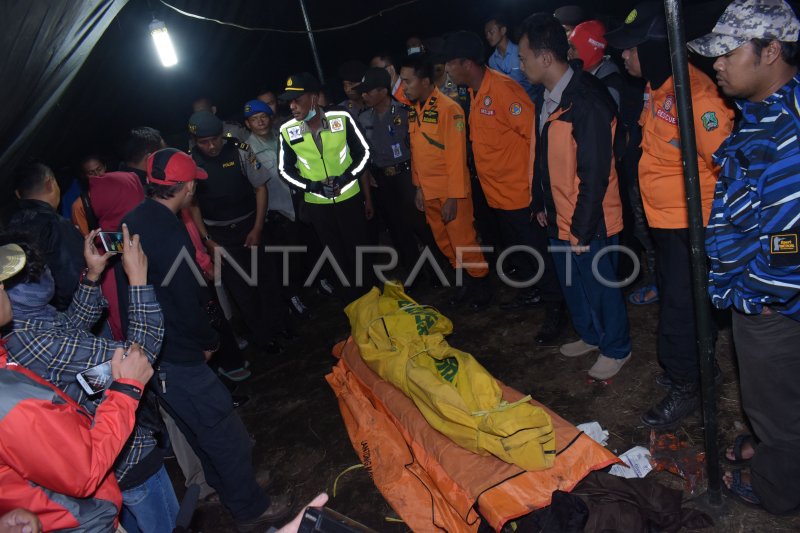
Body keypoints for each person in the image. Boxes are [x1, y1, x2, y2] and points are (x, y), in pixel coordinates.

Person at [123, 148, 292, 530]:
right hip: (178, 352)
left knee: (198, 429)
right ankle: (251, 507)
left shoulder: (134, 219)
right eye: (193, 183)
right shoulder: (169, 232)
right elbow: (186, 298)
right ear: (184, 188)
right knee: (225, 432)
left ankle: (226, 486)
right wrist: (208, 339)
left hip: (153, 352)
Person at [689, 0, 800, 513]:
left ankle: (778, 488)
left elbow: (789, 248)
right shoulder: (764, 112)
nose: (717, 63)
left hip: (771, 302)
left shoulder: (788, 134)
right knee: (771, 394)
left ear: (771, 51)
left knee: (776, 399)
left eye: (728, 52)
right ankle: (774, 447)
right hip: (756, 290)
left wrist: (758, 298)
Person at [606, 1, 734, 426]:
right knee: (684, 304)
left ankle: (687, 385)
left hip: (691, 227)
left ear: (657, 48)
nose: (622, 57)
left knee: (680, 309)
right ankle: (700, 366)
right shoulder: (660, 89)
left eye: (630, 49)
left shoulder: (695, 96)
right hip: (666, 222)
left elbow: (729, 167)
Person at [1, 229, 177, 532]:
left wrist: (92, 276)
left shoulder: (24, 324)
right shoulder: (28, 340)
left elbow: (67, 329)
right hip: (123, 457)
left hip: (105, 472)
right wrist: (138, 282)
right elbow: (139, 354)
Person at [520, 13, 631, 380]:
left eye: (524, 58)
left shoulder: (588, 100)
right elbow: (542, 155)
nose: (521, 66)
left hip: (590, 217)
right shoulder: (547, 98)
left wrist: (583, 227)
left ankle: (617, 347)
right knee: (575, 286)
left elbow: (596, 171)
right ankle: (590, 335)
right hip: (559, 213)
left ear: (546, 58)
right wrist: (541, 203)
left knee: (601, 287)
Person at [443, 31, 566, 342]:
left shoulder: (503, 89)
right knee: (521, 253)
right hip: (497, 196)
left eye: (449, 64)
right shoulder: (474, 92)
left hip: (520, 195)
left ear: (466, 64)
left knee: (539, 253)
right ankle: (536, 292)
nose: (446, 71)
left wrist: (536, 189)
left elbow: (534, 138)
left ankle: (558, 311)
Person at [188, 110, 288, 353]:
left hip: (250, 226)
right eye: (204, 142)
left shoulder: (240, 149)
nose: (211, 146)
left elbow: (260, 188)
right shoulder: (190, 162)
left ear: (222, 135)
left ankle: (281, 326)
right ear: (195, 141)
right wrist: (208, 240)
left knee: (269, 280)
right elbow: (193, 205)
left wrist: (257, 227)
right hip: (220, 236)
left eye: (215, 139)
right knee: (242, 291)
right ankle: (263, 337)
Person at [400, 54, 491, 308]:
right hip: (428, 191)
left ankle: (482, 287)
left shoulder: (449, 109)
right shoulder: (414, 111)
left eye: (407, 81)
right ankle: (465, 285)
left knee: (464, 241)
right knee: (445, 242)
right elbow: (417, 153)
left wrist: (453, 196)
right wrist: (418, 187)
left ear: (426, 81)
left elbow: (456, 158)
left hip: (451, 192)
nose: (403, 87)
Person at [277, 72, 374, 302]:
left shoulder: (342, 118)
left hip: (349, 198)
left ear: (313, 98)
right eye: (289, 101)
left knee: (359, 252)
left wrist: (345, 179)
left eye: (297, 100)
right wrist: (312, 187)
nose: (292, 106)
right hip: (317, 206)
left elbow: (364, 153)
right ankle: (352, 305)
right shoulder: (287, 131)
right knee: (336, 257)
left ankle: (372, 298)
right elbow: (284, 170)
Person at [356, 67, 440, 286]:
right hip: (383, 180)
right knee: (397, 229)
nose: (363, 95)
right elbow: (364, 150)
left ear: (383, 91)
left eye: (368, 91)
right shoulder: (363, 119)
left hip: (407, 175)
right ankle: (416, 275)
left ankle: (442, 269)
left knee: (421, 226)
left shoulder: (406, 112)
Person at [243, 98, 310, 318]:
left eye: (263, 117)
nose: (260, 122)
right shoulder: (247, 150)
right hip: (277, 211)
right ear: (247, 124)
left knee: (307, 247)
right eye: (254, 119)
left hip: (299, 202)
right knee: (285, 258)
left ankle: (312, 285)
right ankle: (291, 296)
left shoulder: (283, 137)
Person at [7, 162, 84, 311]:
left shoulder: (12, 224)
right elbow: (74, 279)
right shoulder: (56, 225)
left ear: (18, 194)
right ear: (50, 184)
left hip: (23, 313)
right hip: (63, 314)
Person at [568, 20, 624, 109]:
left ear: (588, 51)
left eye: (573, 48)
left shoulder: (609, 86)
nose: (569, 52)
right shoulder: (576, 72)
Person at [485, 15, 542, 102]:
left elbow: (538, 80)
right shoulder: (492, 61)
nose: (488, 37)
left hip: (531, 103)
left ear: (503, 30)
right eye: (486, 34)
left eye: (491, 32)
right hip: (512, 107)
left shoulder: (521, 52)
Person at [70, 154, 106, 236]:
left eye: (99, 169)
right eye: (91, 173)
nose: (97, 175)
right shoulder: (80, 206)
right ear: (84, 176)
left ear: (105, 167)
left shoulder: (119, 190)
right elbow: (86, 239)